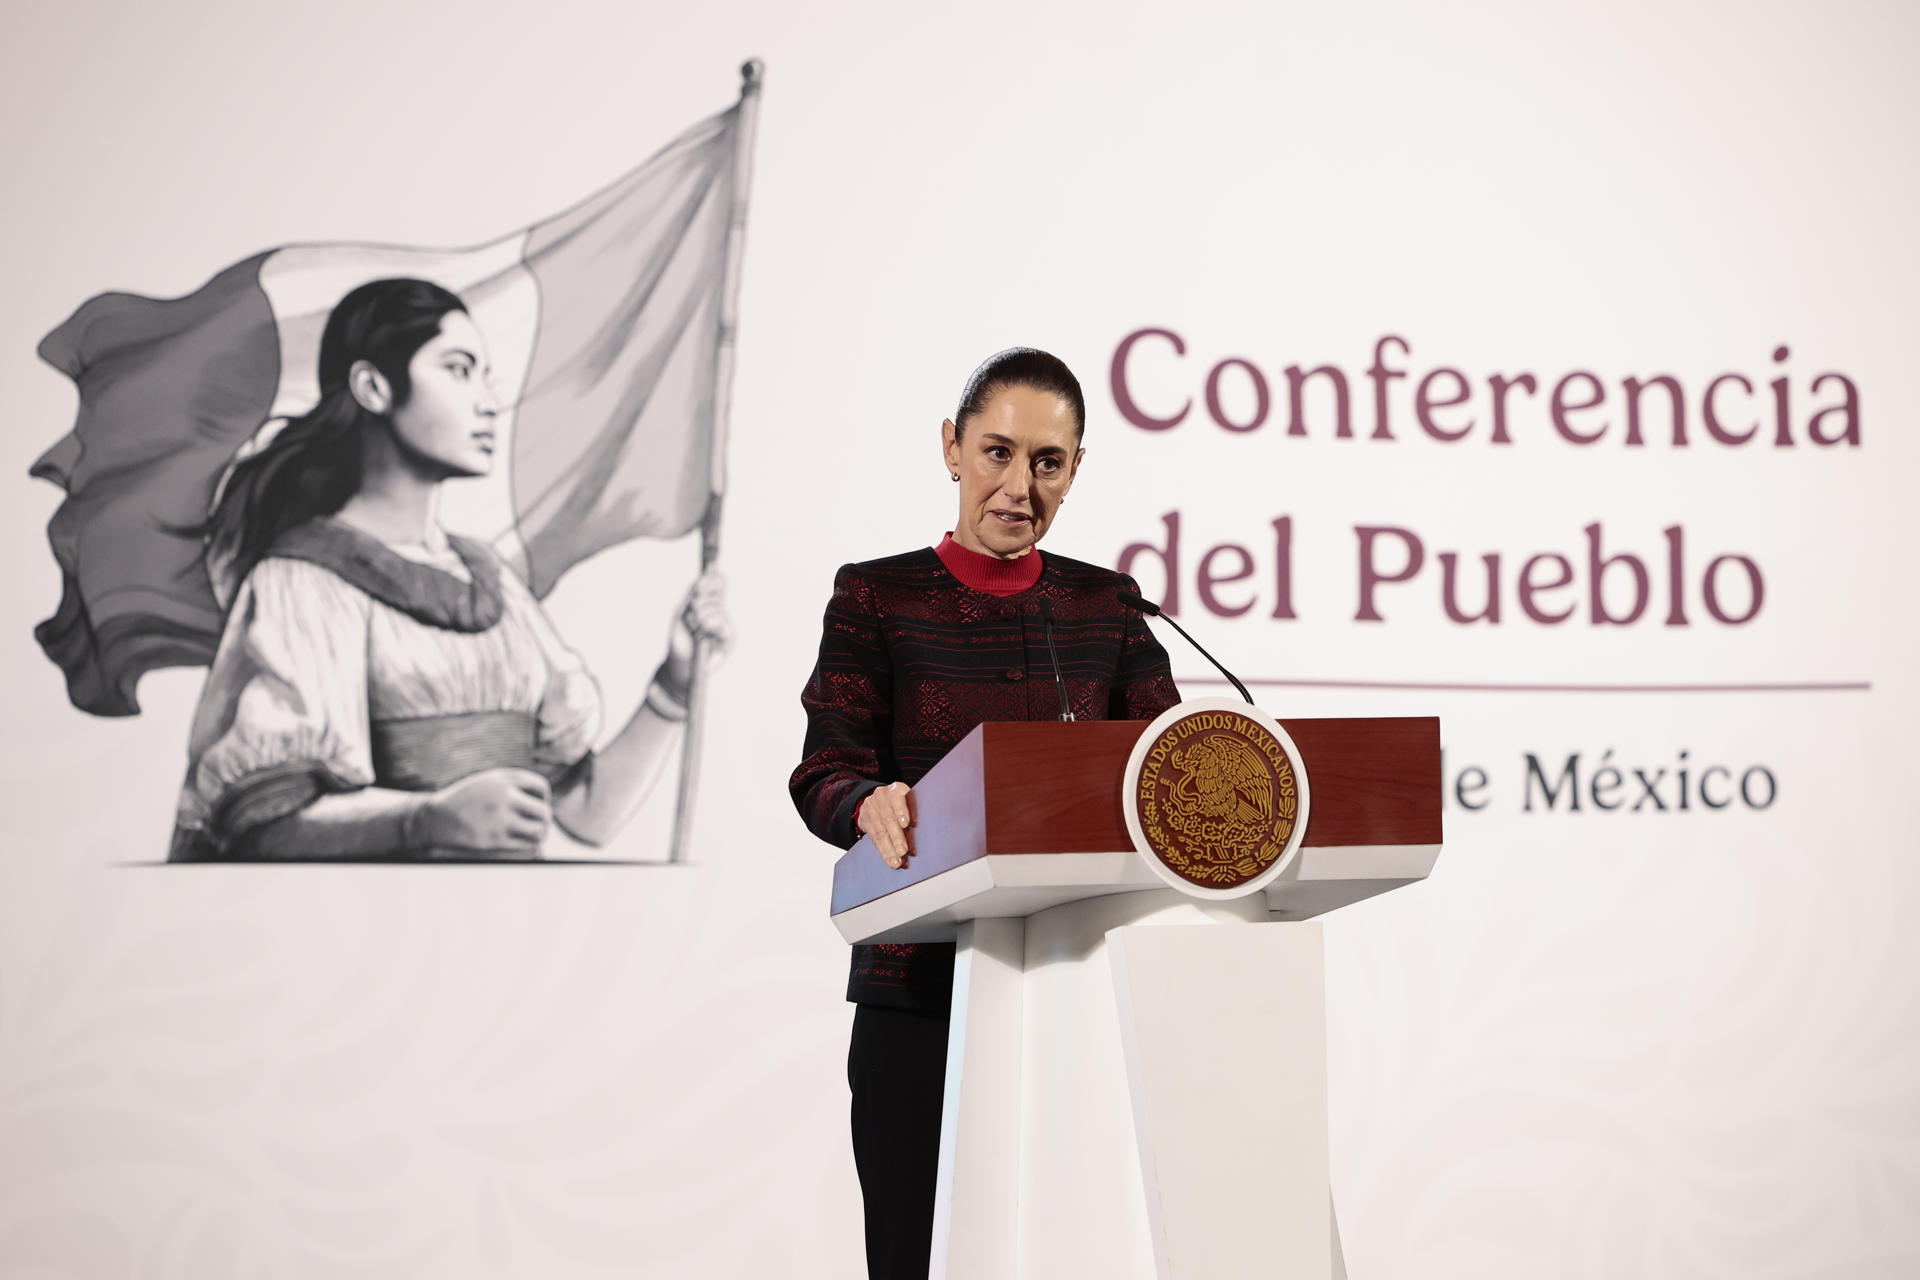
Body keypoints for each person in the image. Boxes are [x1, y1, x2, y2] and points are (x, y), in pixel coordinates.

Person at [789, 348, 1181, 1279]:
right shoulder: (875, 596)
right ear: (951, 449)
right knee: (916, 1256)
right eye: (997, 452)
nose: (1019, 485)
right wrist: (866, 802)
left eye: (1048, 463)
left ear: (1075, 471)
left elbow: (1169, 765)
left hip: (1078, 991)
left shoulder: (1107, 607)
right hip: (919, 991)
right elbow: (824, 768)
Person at [170, 277, 728, 861]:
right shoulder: (302, 582)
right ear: (373, 387)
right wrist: (424, 820)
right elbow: (262, 829)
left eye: (485, 375)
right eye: (459, 370)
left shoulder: (494, 584)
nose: (488, 401)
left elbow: (587, 815)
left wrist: (676, 683)